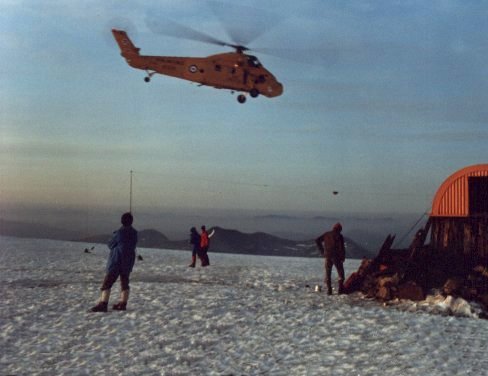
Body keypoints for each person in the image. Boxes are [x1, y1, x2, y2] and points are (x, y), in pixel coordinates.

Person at [91, 212, 138, 312]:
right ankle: (123, 303)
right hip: (128, 261)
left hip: (117, 261)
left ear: (122, 221)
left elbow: (110, 244)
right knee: (125, 282)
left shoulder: (119, 233)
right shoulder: (134, 233)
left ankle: (103, 304)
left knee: (107, 283)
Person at [315, 222, 346, 295]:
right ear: (339, 229)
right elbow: (342, 247)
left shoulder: (326, 234)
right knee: (341, 274)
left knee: (328, 274)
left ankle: (329, 290)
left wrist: (322, 251)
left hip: (327, 256)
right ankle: (340, 290)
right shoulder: (339, 236)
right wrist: (343, 256)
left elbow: (317, 240)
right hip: (336, 257)